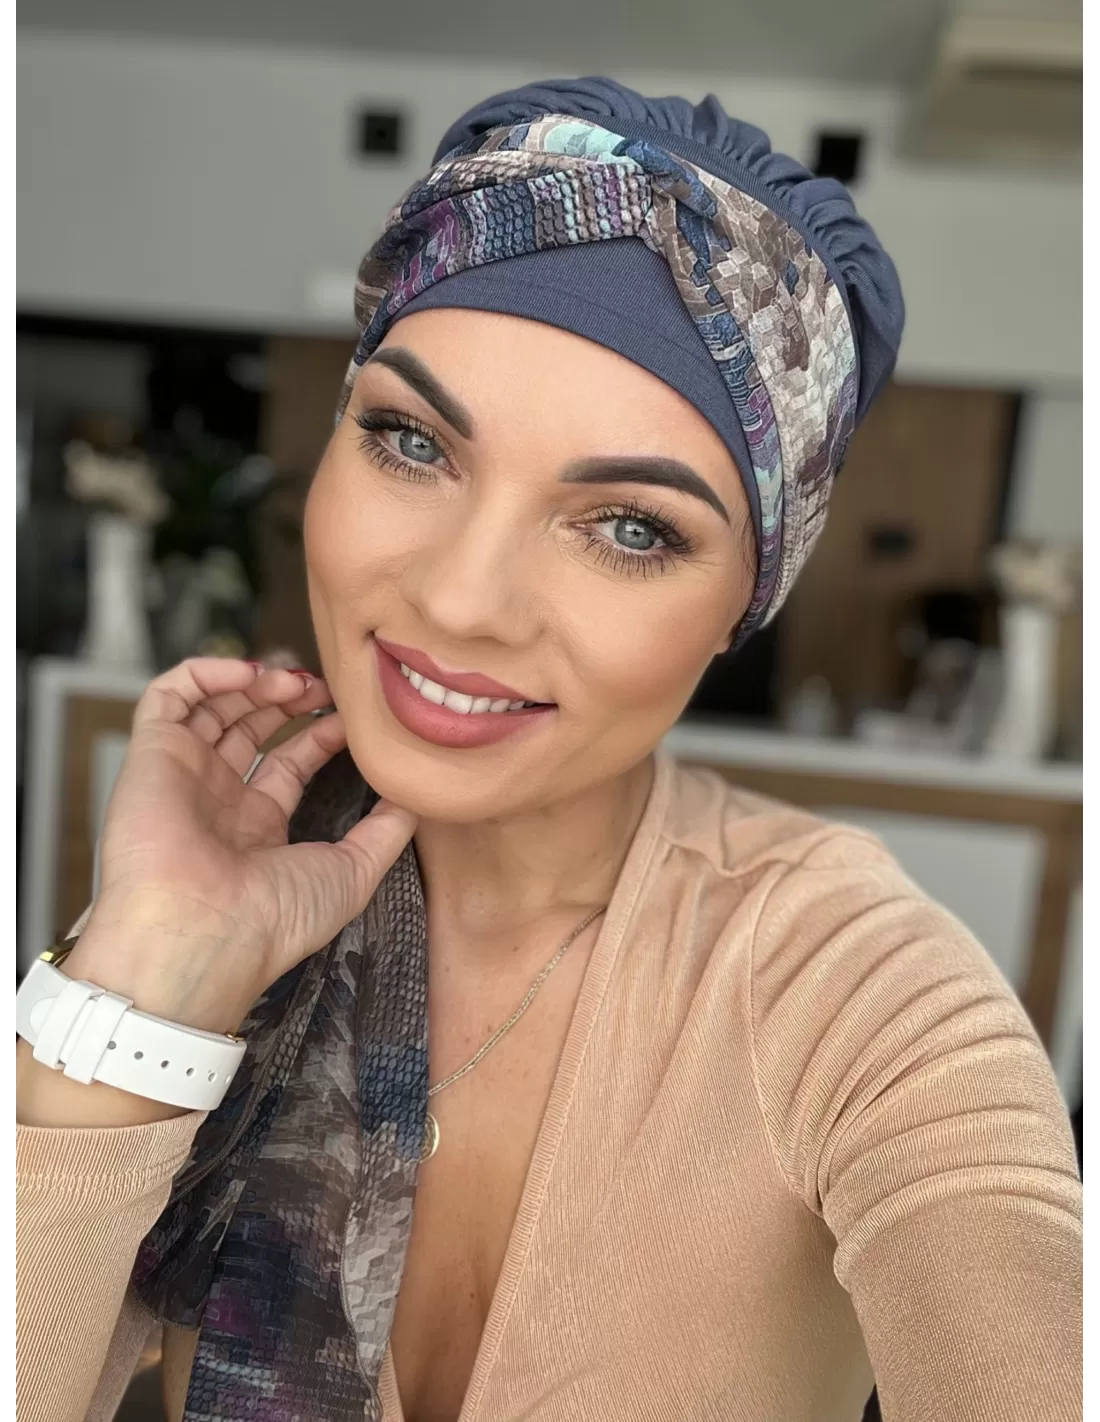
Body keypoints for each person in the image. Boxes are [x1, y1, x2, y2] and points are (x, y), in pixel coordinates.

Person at [16, 79, 1081, 1422]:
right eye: (411, 441)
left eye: (632, 527)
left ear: (740, 607)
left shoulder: (855, 984)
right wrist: (147, 971)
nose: (461, 600)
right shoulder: (237, 900)